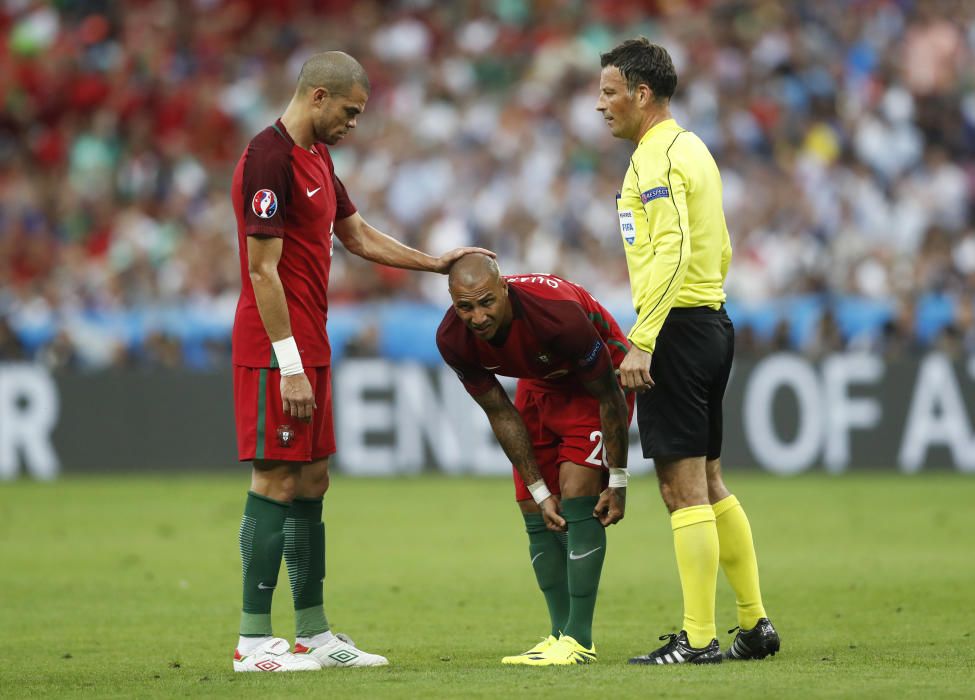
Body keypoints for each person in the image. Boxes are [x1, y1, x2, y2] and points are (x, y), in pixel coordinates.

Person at [230, 51, 492, 673]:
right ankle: (253, 640)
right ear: (318, 96)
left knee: (313, 482)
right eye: (349, 112)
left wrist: (434, 263)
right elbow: (261, 270)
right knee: (274, 479)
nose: (353, 124)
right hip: (274, 348)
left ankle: (313, 633)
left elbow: (357, 234)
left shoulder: (318, 158)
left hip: (311, 343)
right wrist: (289, 362)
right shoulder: (268, 159)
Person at [596, 38, 779, 665]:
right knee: (710, 480)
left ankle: (698, 638)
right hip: (709, 320)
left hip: (673, 329)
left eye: (609, 92)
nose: (602, 106)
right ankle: (754, 624)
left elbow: (671, 250)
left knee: (681, 489)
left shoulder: (654, 159)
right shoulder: (693, 148)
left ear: (641, 94)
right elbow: (718, 247)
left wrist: (644, 337)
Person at [436, 253, 633, 666]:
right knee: (531, 504)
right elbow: (499, 412)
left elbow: (610, 396)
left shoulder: (556, 316)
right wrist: (540, 490)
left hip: (595, 386)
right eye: (465, 307)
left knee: (578, 492)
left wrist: (617, 480)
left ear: (504, 289)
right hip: (538, 384)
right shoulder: (452, 338)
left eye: (486, 302)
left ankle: (580, 641)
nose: (477, 317)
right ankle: (559, 633)